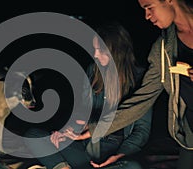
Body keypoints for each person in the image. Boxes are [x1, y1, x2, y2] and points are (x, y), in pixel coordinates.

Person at [24, 22, 152, 169]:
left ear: (117, 50)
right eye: (94, 49)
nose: (95, 54)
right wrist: (68, 131)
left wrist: (120, 155)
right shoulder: (93, 71)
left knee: (133, 167)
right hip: (86, 146)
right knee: (33, 135)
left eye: (101, 50)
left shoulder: (139, 78)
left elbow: (141, 130)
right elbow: (83, 113)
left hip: (114, 150)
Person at [88, 0, 193, 168]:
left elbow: (141, 131)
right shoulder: (164, 48)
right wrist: (95, 129)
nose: (147, 16)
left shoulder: (134, 73)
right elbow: (142, 100)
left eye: (149, 7)